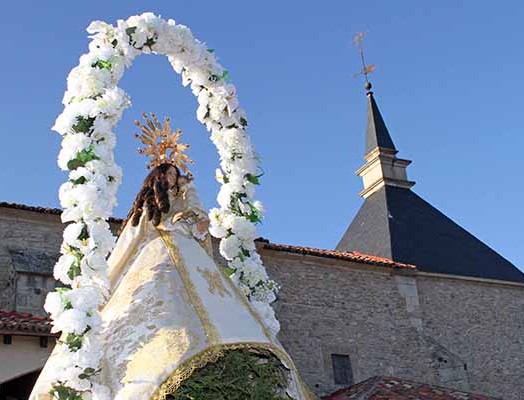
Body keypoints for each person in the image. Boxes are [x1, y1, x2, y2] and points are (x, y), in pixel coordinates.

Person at [30, 116, 313, 400]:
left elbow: (201, 225)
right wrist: (112, 273)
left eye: (175, 174)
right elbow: (132, 238)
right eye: (167, 174)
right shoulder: (148, 207)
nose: (172, 178)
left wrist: (190, 208)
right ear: (157, 177)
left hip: (188, 252)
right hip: (156, 256)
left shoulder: (186, 195)